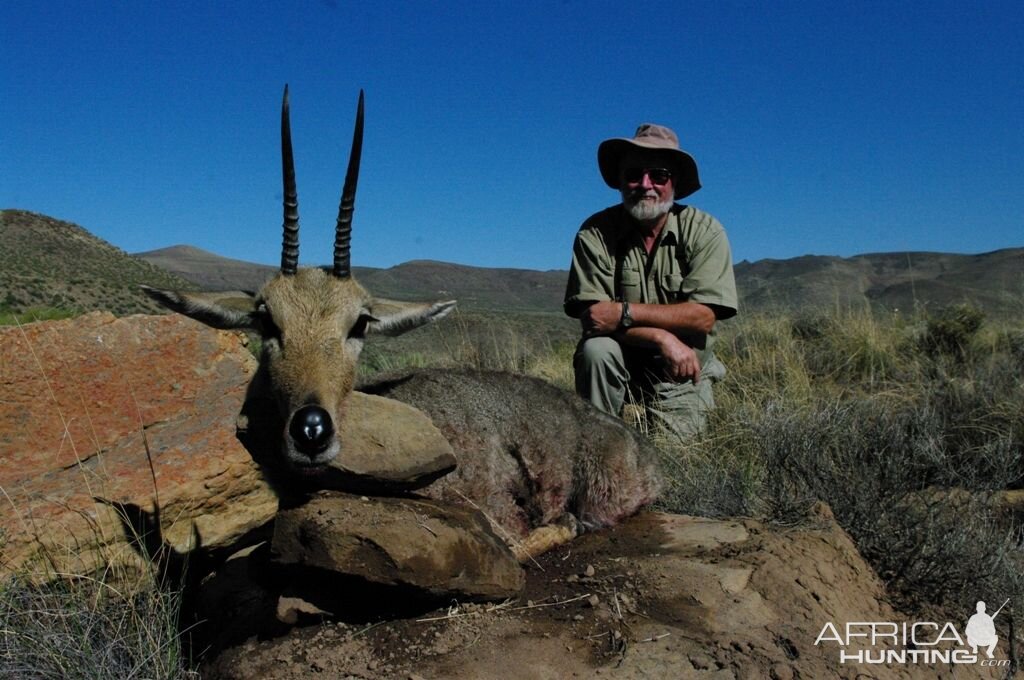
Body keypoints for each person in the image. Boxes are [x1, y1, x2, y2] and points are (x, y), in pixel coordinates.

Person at [564, 123, 738, 439]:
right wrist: (662, 337)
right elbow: (594, 318)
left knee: (677, 465)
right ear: (620, 180)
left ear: (675, 182)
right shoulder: (595, 233)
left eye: (658, 175)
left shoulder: (705, 231)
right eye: (634, 174)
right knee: (596, 350)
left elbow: (702, 317)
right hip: (619, 359)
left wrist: (621, 313)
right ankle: (600, 443)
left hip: (683, 367)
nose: (646, 185)